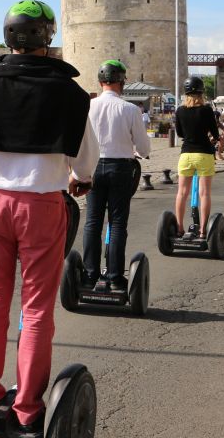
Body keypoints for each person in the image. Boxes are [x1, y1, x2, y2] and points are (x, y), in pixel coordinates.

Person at [0, 0, 98, 437]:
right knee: (35, 310)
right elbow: (85, 157)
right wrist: (82, 179)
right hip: (41, 205)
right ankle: (29, 408)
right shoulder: (70, 93)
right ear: (47, 36)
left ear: (7, 36)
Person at [82, 60, 151, 293]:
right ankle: (113, 276)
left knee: (92, 222)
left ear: (100, 82)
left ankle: (89, 275)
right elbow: (144, 148)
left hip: (92, 167)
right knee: (118, 222)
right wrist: (141, 153)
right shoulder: (130, 109)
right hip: (120, 167)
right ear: (122, 82)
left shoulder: (88, 107)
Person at [173, 76, 219, 239]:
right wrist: (214, 138)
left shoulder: (179, 110)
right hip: (204, 154)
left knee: (182, 193)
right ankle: (202, 231)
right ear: (201, 92)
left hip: (186, 155)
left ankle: (179, 228)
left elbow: (179, 133)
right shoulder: (206, 110)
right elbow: (215, 133)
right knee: (204, 193)